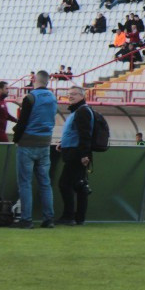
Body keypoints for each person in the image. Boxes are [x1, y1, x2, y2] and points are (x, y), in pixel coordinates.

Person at [12, 70, 58, 229]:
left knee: (25, 183)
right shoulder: (53, 97)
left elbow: (23, 121)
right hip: (45, 143)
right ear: (48, 81)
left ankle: (27, 220)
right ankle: (49, 219)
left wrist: (16, 139)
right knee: (45, 183)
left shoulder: (30, 97)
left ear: (34, 80)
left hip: (27, 143)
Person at [57, 85, 95, 226]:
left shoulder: (82, 111)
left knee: (65, 184)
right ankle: (79, 217)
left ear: (82, 96)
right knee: (79, 185)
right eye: (69, 94)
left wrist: (85, 154)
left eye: (74, 94)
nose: (70, 96)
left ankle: (69, 216)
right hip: (75, 152)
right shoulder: (80, 111)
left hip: (76, 154)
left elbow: (85, 134)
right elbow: (76, 132)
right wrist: (63, 142)